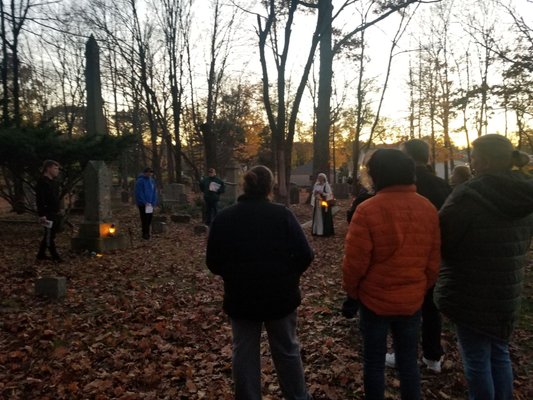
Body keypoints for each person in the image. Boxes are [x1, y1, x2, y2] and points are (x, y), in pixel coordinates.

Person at [434, 134, 533, 400]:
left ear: (486, 161)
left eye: (474, 156)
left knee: (476, 358)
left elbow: (442, 237)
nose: (472, 161)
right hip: (506, 288)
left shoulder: (469, 194)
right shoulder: (525, 192)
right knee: (499, 353)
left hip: (471, 290)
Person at [206, 165, 314, 400]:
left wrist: (234, 276)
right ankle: (297, 397)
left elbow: (213, 262)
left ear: (244, 185)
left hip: (241, 296)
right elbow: (305, 255)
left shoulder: (225, 218)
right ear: (270, 187)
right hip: (280, 296)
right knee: (286, 349)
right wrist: (289, 278)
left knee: (244, 352)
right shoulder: (282, 215)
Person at [343, 149, 441, 400]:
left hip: (374, 299)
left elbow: (355, 263)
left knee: (374, 362)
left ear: (376, 174)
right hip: (411, 299)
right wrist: (420, 287)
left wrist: (353, 293)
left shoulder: (367, 210)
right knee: (408, 362)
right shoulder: (427, 208)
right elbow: (433, 261)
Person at [382, 138, 451, 374]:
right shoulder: (442, 186)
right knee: (431, 308)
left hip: (404, 254)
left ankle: (404, 356)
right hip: (433, 254)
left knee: (405, 310)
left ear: (409, 157)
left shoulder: (402, 184)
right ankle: (432, 356)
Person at [36, 160, 63, 262]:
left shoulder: (53, 183)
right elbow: (40, 199)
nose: (57, 171)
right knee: (49, 235)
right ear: (48, 168)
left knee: (51, 234)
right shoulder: (42, 182)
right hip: (47, 213)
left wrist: (59, 209)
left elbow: (55, 198)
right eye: (55, 168)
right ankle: (55, 256)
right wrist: (42, 214)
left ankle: (41, 254)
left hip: (54, 212)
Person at [135, 167, 157, 240]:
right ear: (144, 173)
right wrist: (144, 202)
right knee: (144, 218)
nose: (149, 173)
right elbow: (139, 193)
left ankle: (147, 232)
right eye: (148, 172)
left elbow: (154, 192)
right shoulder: (140, 181)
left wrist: (153, 202)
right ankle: (145, 234)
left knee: (149, 218)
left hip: (150, 203)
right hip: (143, 204)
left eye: (151, 172)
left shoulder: (152, 181)